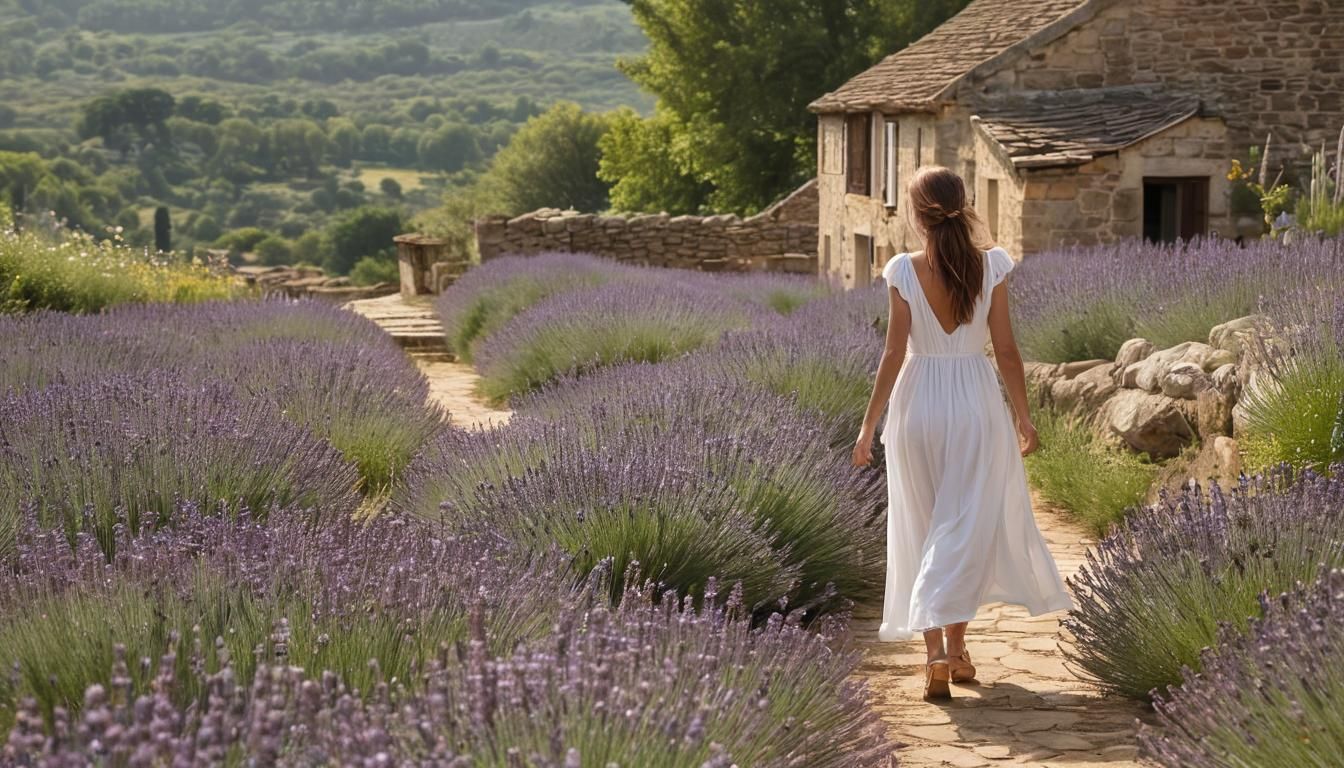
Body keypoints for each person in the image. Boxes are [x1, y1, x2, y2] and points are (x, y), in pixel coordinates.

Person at [851, 166, 1073, 701]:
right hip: (975, 402)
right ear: (963, 203)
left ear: (916, 214)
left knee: (921, 524)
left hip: (917, 403)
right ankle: (955, 650)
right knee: (966, 525)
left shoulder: (903, 269)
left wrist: (867, 426)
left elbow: (893, 352)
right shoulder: (991, 266)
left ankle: (934, 654)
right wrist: (1024, 416)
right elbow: (1009, 352)